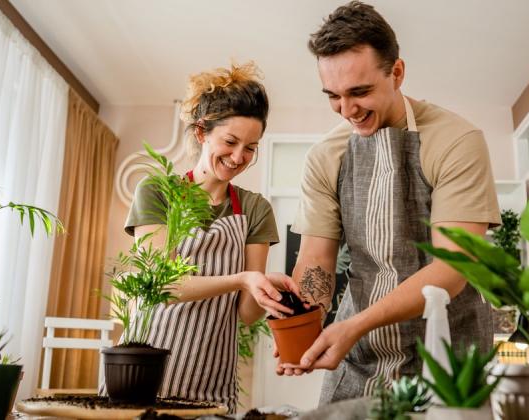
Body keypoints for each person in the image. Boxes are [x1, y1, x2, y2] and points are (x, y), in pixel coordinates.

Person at [266, 1, 502, 405]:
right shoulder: (326, 157)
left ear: (396, 72)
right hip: (360, 357)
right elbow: (317, 262)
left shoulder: (455, 141)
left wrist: (354, 325)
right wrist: (303, 321)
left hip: (450, 353)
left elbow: (453, 269)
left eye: (360, 92)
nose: (347, 110)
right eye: (333, 96)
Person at [124, 62, 297, 412]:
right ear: (202, 132)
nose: (239, 157)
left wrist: (262, 285)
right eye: (230, 142)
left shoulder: (255, 208)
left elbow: (247, 315)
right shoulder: (157, 191)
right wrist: (242, 279)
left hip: (210, 382)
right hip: (143, 370)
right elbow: (161, 286)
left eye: (251, 147)